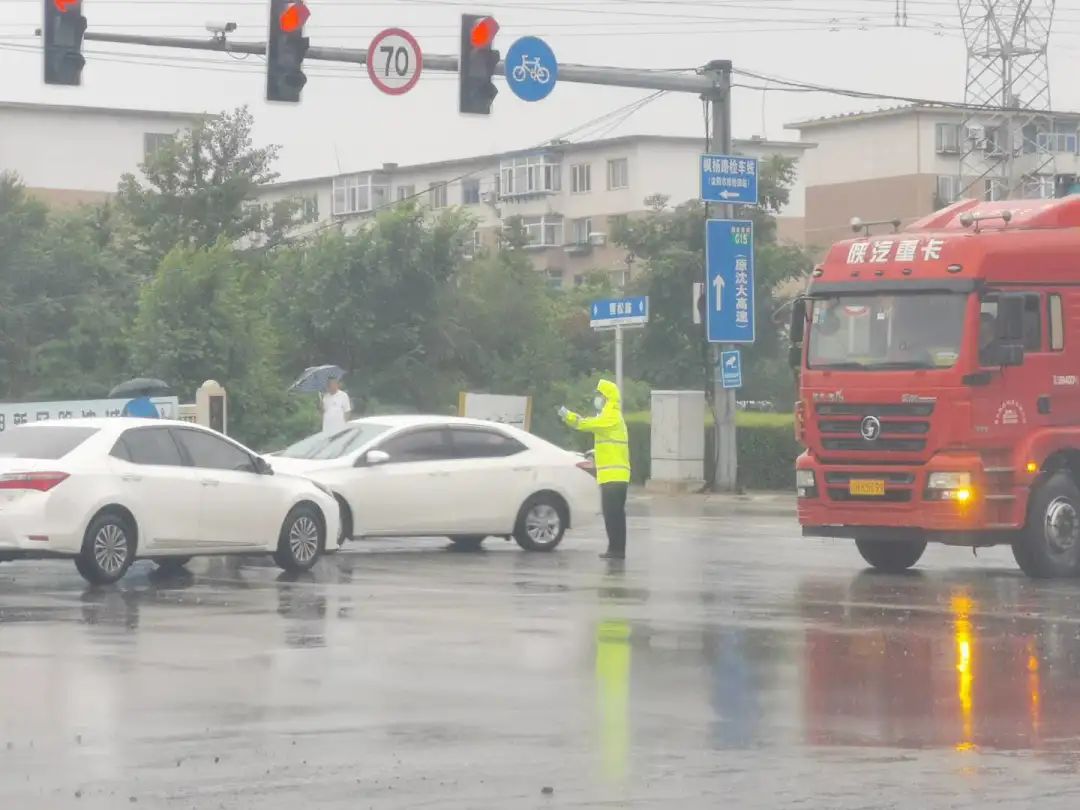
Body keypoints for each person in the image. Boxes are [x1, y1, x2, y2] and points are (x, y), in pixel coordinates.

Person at [559, 379, 631, 560]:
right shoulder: (611, 417)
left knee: (612, 515)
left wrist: (568, 416)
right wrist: (595, 452)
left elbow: (585, 424)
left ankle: (616, 551)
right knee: (616, 515)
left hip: (613, 476)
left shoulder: (611, 417)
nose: (597, 399)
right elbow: (609, 444)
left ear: (607, 398)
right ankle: (616, 549)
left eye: (600, 395)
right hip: (616, 476)